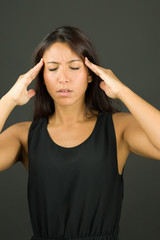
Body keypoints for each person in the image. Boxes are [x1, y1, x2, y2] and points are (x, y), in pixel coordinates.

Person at [0, 25, 160, 240]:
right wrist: (8, 100)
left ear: (91, 75)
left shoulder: (118, 128)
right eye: (53, 68)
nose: (63, 78)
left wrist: (122, 91)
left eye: (74, 67)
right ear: (41, 77)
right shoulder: (23, 136)